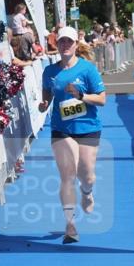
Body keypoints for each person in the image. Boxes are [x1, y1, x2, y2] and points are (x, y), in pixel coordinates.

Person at [38, 26, 107, 244]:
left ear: (76, 44)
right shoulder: (50, 72)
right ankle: (70, 225)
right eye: (62, 41)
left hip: (87, 127)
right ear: (56, 45)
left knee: (87, 175)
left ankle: (87, 192)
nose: (65, 45)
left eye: (69, 41)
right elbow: (47, 94)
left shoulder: (87, 69)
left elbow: (102, 99)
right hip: (61, 129)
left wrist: (82, 96)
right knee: (67, 176)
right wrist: (44, 104)